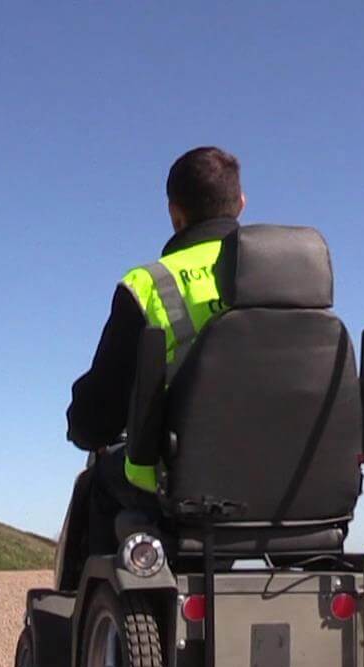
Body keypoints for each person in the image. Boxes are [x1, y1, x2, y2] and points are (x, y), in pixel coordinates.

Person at [62, 147, 246, 560]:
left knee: (97, 484)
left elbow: (99, 415)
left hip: (183, 488)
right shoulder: (292, 278)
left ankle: (90, 617)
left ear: (174, 213)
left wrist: (84, 428)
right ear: (240, 204)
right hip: (292, 482)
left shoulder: (149, 285)